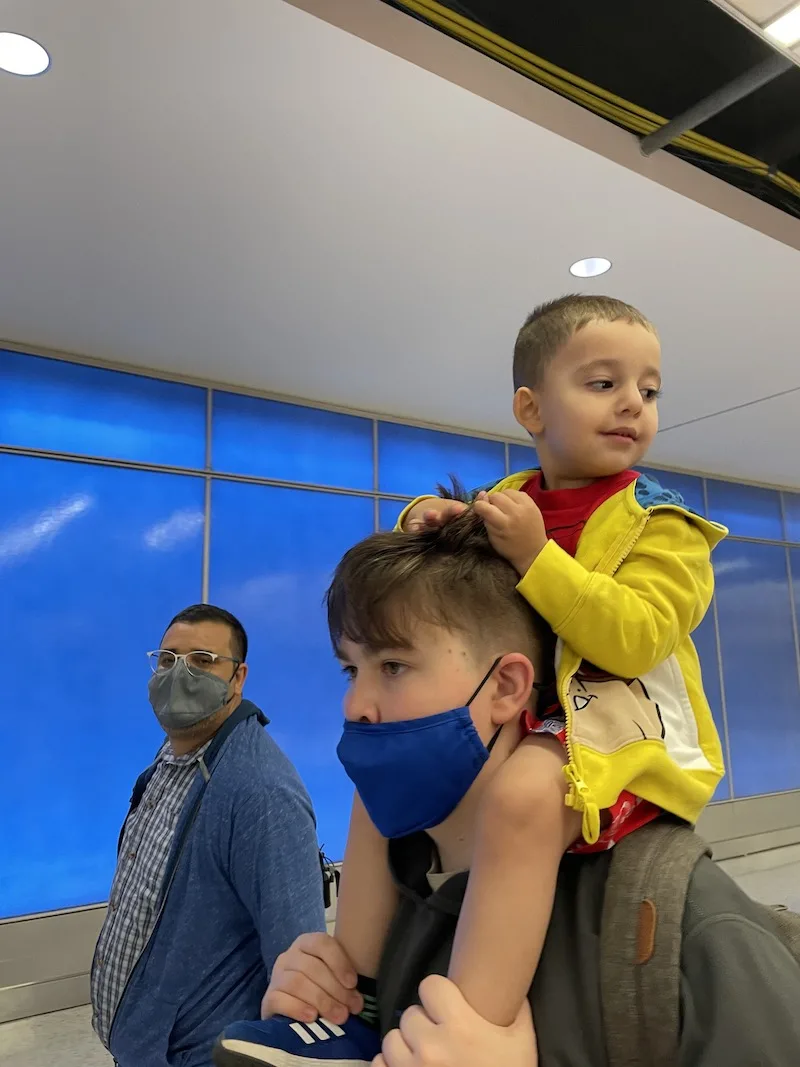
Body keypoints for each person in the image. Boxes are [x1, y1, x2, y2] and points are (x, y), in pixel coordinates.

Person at [213, 293, 728, 1064]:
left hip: (620, 723)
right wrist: (423, 515)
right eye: (602, 383)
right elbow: (446, 583)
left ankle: (474, 1025)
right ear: (530, 407)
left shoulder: (665, 526)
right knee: (374, 784)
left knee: (523, 795)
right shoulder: (517, 500)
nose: (632, 403)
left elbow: (640, 635)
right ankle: (351, 999)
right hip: (533, 715)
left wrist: (537, 560)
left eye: (648, 390)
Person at [214, 512, 800, 1067]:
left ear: (508, 687)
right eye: (351, 669)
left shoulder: (684, 929)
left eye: (393, 666)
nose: (355, 706)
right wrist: (331, 1001)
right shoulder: (394, 896)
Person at [91, 603, 326, 1067]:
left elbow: (297, 969)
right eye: (168, 659)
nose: (179, 674)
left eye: (202, 660)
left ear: (238, 678)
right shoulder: (171, 761)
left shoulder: (261, 792)